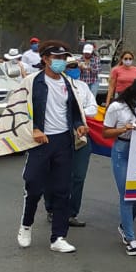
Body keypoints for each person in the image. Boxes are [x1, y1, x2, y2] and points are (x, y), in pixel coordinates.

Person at [15, 41, 89, 254]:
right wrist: (35, 129)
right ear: (45, 59)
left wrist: (79, 125)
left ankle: (58, 237)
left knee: (62, 190)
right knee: (34, 186)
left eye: (63, 58)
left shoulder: (69, 83)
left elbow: (74, 111)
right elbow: (19, 110)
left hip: (64, 141)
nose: (61, 62)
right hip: (41, 142)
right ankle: (26, 225)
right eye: (56, 58)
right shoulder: (32, 82)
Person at [101, 80, 136, 256]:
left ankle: (125, 225)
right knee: (127, 193)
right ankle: (130, 237)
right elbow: (105, 132)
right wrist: (122, 129)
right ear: (134, 93)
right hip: (122, 150)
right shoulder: (116, 107)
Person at [43, 59, 98, 228]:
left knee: (78, 176)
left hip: (80, 136)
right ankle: (52, 209)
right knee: (54, 175)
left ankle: (71, 213)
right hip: (57, 135)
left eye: (76, 67)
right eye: (70, 67)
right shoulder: (50, 85)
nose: (74, 69)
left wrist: (77, 112)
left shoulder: (82, 87)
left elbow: (93, 108)